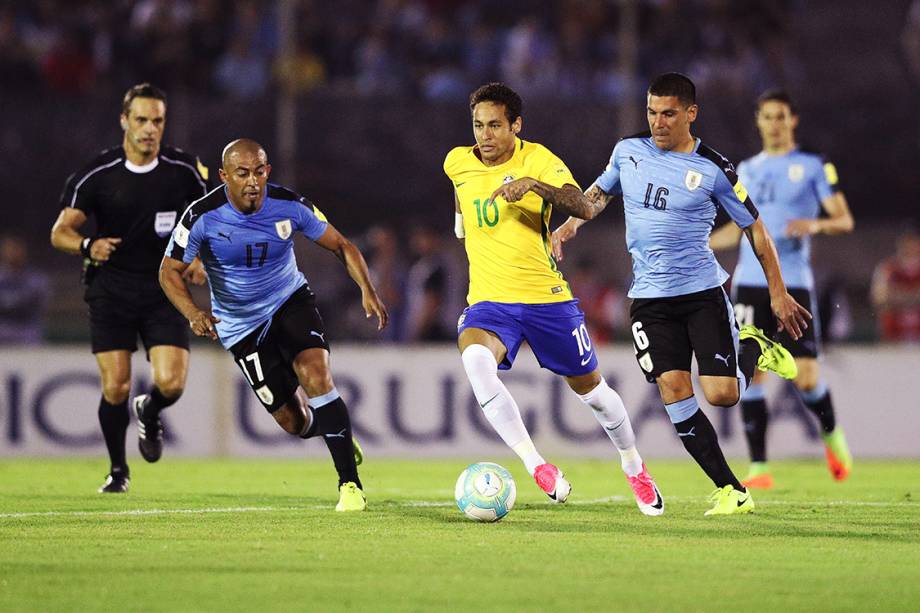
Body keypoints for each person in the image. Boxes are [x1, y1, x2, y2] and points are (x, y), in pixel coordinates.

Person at [553, 73, 811, 515]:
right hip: (650, 300)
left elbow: (756, 229)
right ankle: (732, 490)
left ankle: (752, 344)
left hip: (701, 295)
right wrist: (569, 225)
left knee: (722, 395)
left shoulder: (714, 168)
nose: (658, 122)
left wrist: (778, 292)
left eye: (669, 113)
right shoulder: (627, 152)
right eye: (652, 112)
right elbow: (596, 197)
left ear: (691, 113)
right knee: (673, 389)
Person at [445, 83, 664, 516]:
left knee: (594, 392)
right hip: (490, 301)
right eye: (477, 125)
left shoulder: (539, 159)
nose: (484, 136)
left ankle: (634, 464)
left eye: (494, 126)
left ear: (515, 125)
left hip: (546, 299)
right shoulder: (456, 162)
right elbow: (461, 216)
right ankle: (537, 465)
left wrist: (532, 185)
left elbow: (582, 206)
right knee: (475, 361)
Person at [160, 139, 388, 512]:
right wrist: (192, 312)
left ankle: (350, 484)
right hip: (239, 326)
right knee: (293, 421)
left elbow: (342, 245)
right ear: (224, 176)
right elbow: (168, 271)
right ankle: (335, 432)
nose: (253, 180)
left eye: (260, 171)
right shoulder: (202, 215)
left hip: (289, 302)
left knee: (317, 375)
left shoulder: (289, 205)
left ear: (268, 170)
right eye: (243, 173)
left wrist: (367, 288)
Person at [50, 83, 210, 493]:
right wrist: (88, 244)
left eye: (157, 120)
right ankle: (118, 469)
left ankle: (151, 410)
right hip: (112, 290)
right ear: (124, 121)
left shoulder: (185, 170)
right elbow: (60, 232)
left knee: (172, 383)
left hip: (164, 289)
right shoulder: (97, 174)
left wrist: (196, 258)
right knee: (115, 385)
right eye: (141, 119)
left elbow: (212, 221)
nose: (149, 129)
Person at [710, 90, 855, 488]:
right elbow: (739, 227)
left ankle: (832, 436)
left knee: (807, 377)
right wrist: (702, 242)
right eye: (767, 117)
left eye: (780, 117)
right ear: (758, 121)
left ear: (793, 120)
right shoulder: (746, 168)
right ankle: (759, 468)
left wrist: (815, 225)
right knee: (751, 372)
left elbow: (844, 219)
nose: (774, 124)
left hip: (794, 283)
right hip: (749, 284)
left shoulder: (813, 166)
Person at [871, 228, 920, 342]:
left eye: (914, 242)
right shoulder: (887, 269)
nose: (910, 246)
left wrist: (897, 295)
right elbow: (880, 299)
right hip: (894, 334)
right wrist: (913, 296)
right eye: (907, 242)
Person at [0, 235, 50, 345]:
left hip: (26, 330)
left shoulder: (36, 280)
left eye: (16, 249)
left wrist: (10, 302)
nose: (13, 253)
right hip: (2, 328)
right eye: (10, 249)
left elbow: (38, 306)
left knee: (32, 342)